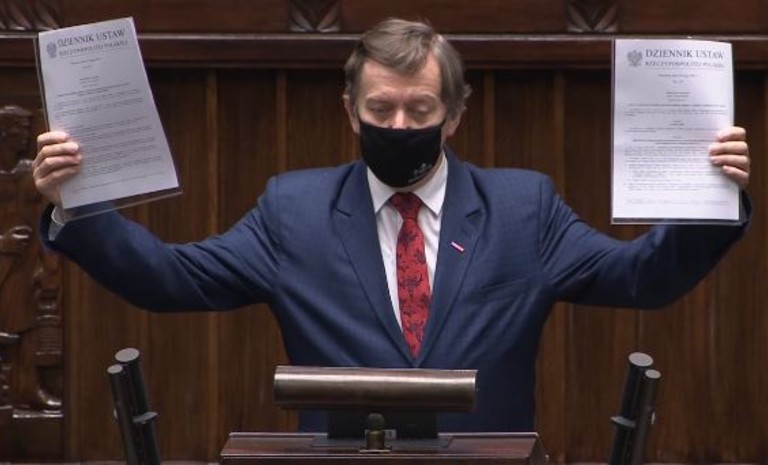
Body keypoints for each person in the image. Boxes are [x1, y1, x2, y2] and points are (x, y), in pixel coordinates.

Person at [32, 19, 750, 432]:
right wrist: (77, 202)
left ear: (454, 116)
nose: (400, 125)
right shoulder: (294, 210)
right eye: (381, 110)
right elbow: (170, 280)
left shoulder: (523, 209)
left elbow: (641, 278)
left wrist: (710, 197)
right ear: (351, 112)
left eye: (419, 110)